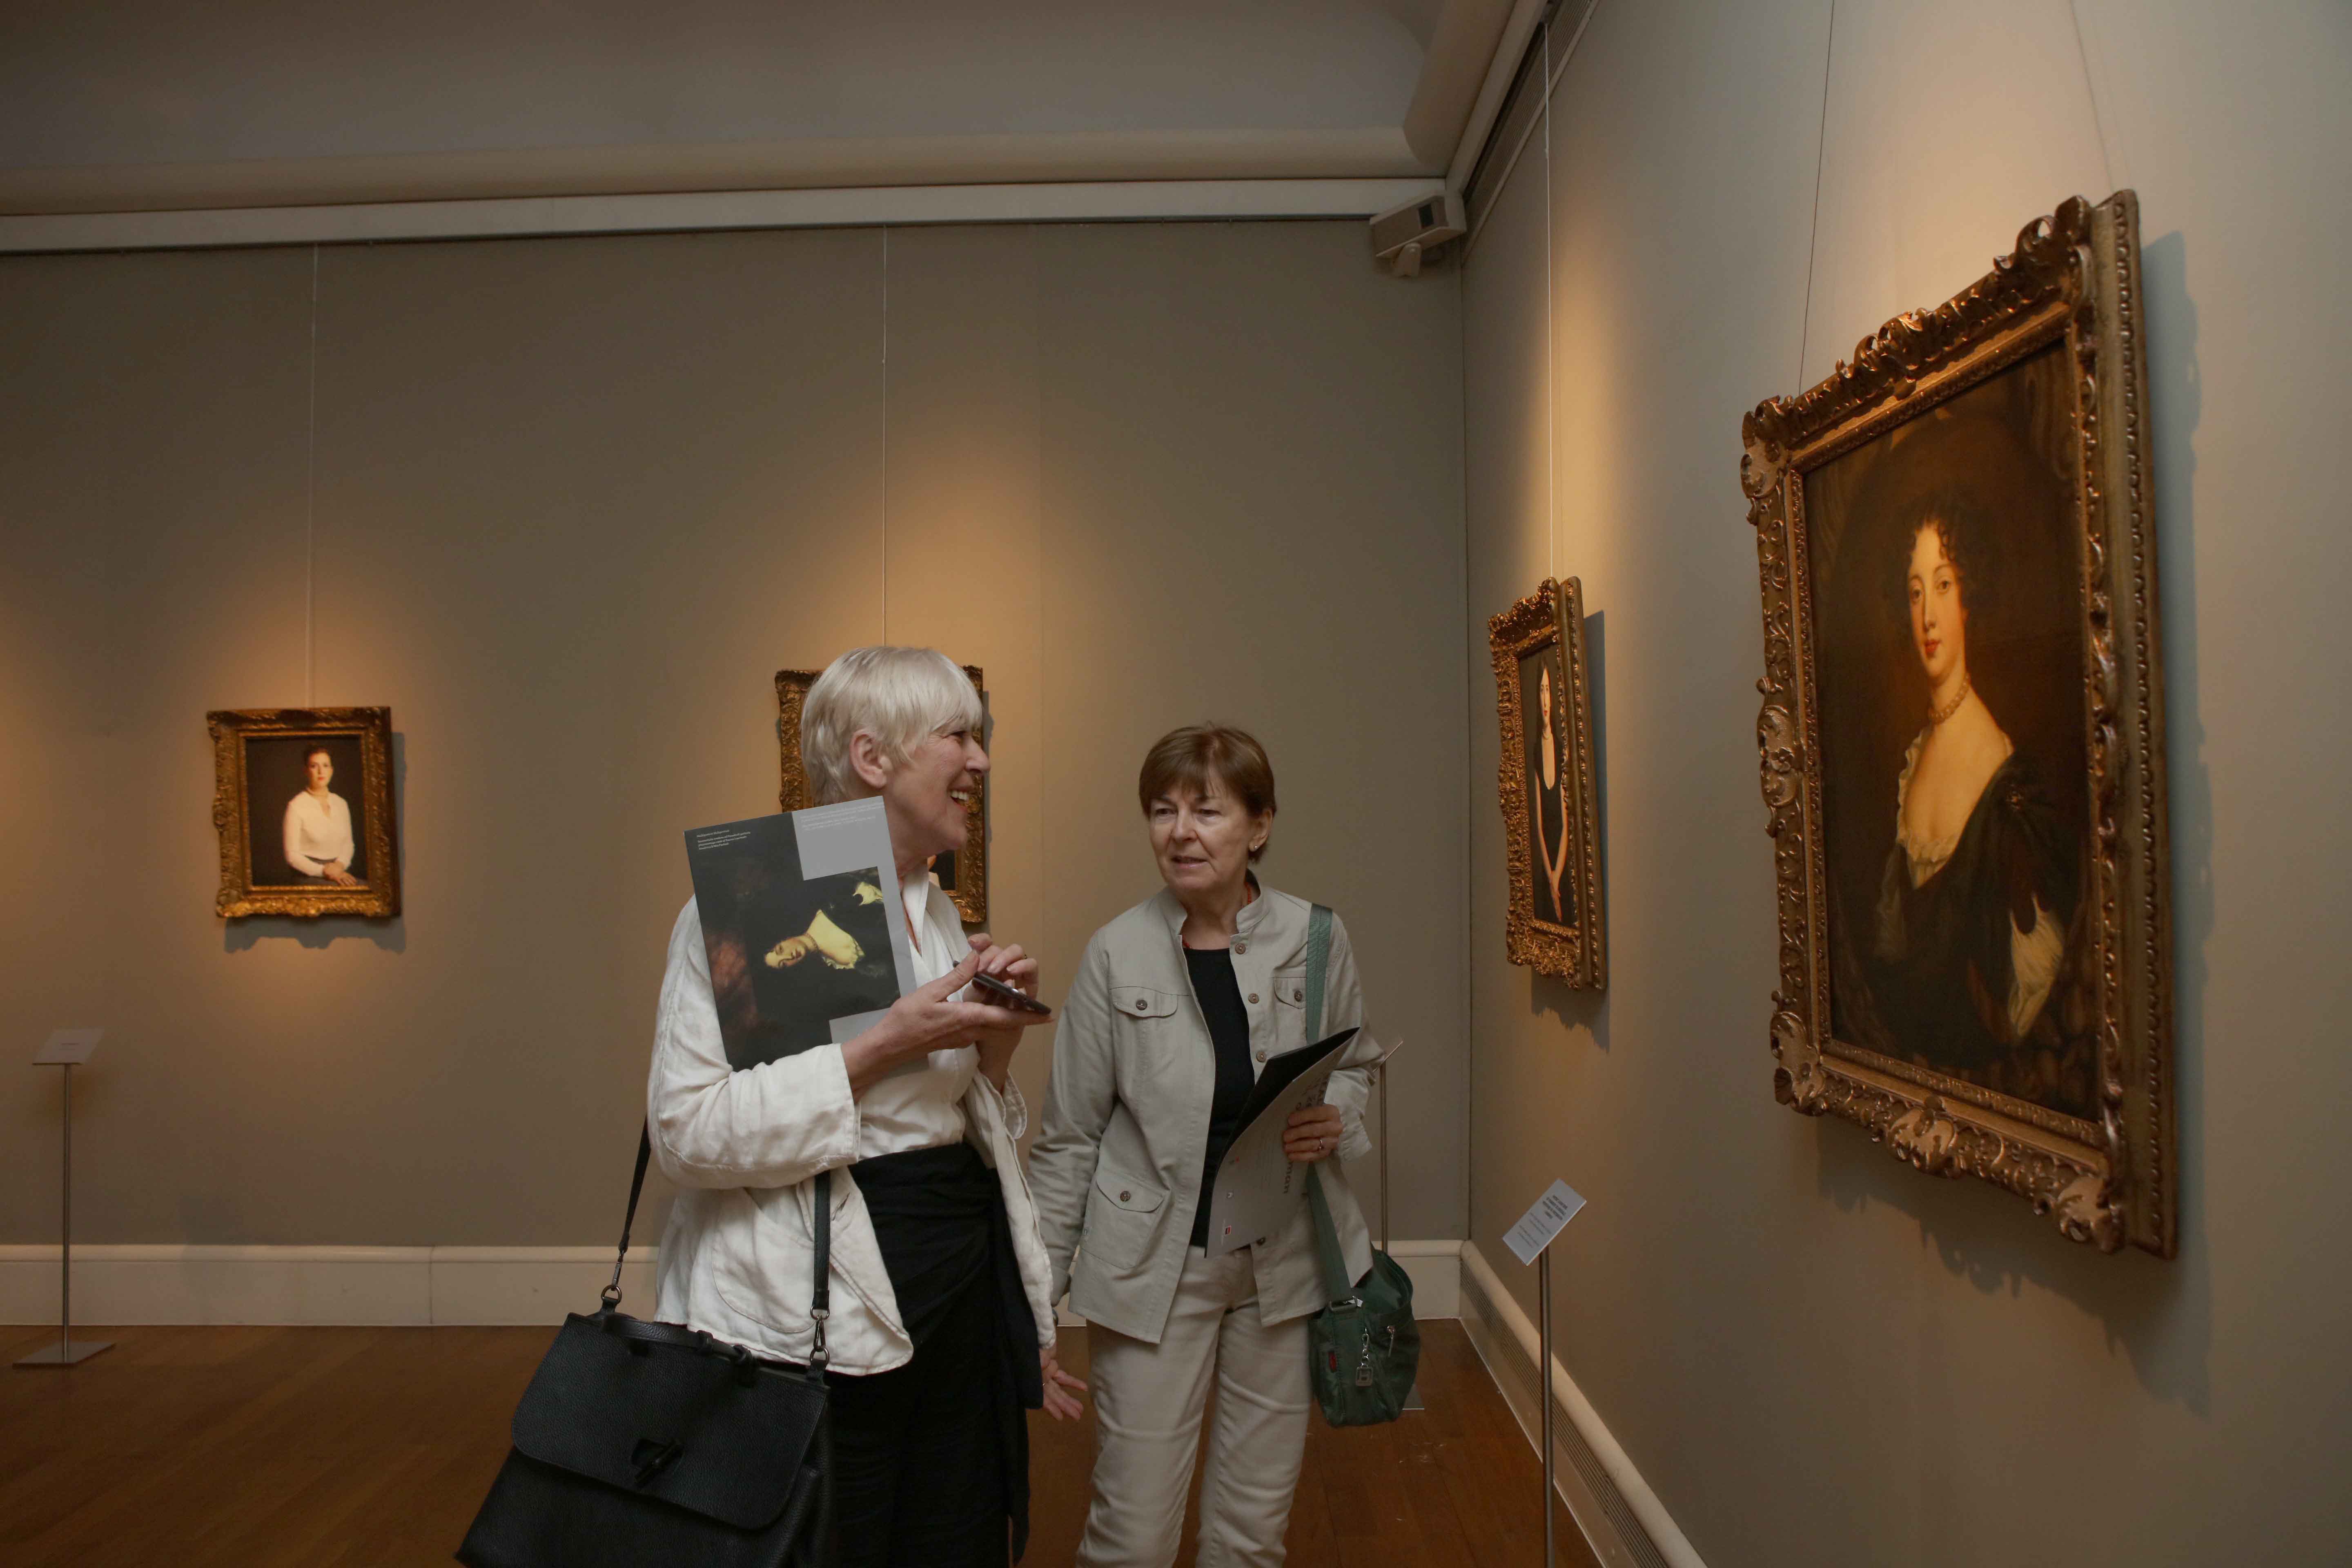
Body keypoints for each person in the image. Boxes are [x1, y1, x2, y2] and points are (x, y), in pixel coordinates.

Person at [646, 646, 1085, 1568]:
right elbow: (684, 1133)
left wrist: (993, 1044)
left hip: (953, 1280)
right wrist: (881, 1045)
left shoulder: (934, 907)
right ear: (872, 758)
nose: (981, 761)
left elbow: (944, 1114)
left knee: (951, 1535)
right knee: (836, 1536)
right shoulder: (753, 903)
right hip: (814, 1303)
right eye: (959, 736)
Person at [1029, 723, 1382, 1568]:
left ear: (1259, 825)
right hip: (1153, 1271)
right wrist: (1036, 1301)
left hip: (1283, 1268)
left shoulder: (1318, 939)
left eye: (1207, 811)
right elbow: (1069, 1139)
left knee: (1251, 1537)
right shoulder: (1116, 953)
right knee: (1134, 1539)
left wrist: (1337, 1116)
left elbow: (1355, 1067)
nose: (1181, 832)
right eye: (1163, 811)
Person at [1869, 494, 2076, 1073]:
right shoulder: (1915, 759)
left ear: (1969, 599)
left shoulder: (2005, 784)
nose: (1927, 618)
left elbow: (2030, 996)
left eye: (1943, 585)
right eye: (1915, 593)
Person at [282, 744, 359, 886]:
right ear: (306, 771)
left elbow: (348, 845)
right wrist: (324, 871)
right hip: (309, 875)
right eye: (314, 766)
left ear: (332, 770)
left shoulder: (341, 803)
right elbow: (292, 855)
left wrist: (339, 866)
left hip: (339, 870)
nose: (321, 772)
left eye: (325, 766)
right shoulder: (296, 806)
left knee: (364, 889)